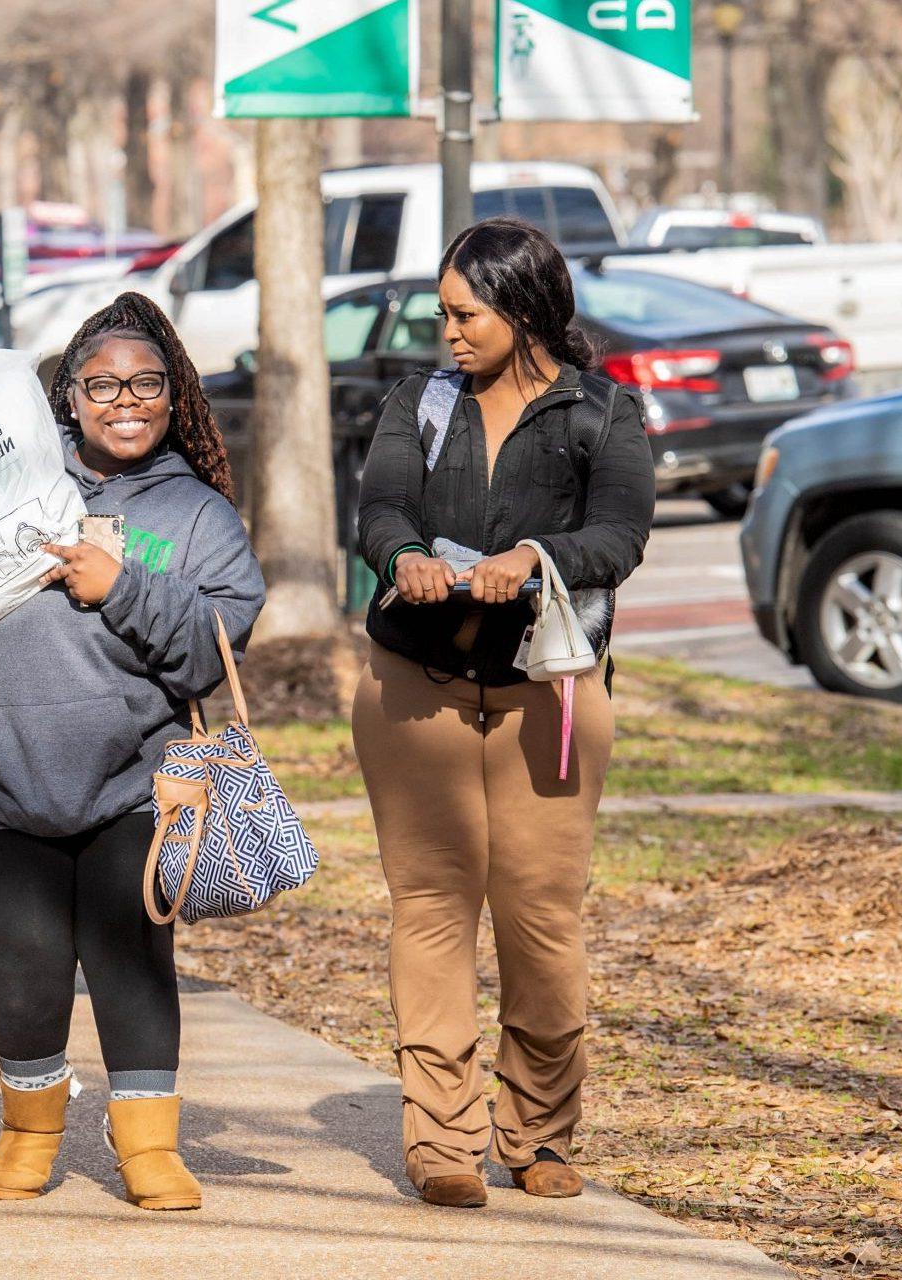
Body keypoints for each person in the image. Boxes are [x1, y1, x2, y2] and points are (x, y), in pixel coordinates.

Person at [0, 293, 264, 1212]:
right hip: (7, 777)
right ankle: (30, 1129)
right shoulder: (12, 475)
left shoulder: (197, 512)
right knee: (22, 968)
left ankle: (148, 1145)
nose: (125, 400)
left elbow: (221, 638)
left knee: (134, 966)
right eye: (102, 385)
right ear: (70, 399)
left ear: (173, 394)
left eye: (145, 383)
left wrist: (123, 587)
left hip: (141, 785)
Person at [350, 217, 656, 1210]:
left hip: (549, 691)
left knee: (539, 915)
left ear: (523, 309)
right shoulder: (418, 402)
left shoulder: (601, 411)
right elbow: (381, 508)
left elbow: (620, 530)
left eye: (465, 313)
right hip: (415, 689)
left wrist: (536, 559)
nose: (449, 332)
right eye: (441, 314)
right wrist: (402, 558)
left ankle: (537, 1131)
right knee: (432, 905)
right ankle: (441, 1135)